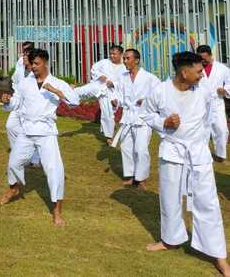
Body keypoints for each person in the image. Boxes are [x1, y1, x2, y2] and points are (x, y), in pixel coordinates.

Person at [140, 51, 229, 276]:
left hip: (197, 153)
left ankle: (219, 255)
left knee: (207, 201)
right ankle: (170, 239)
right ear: (184, 72)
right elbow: (146, 114)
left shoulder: (205, 89)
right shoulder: (160, 90)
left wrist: (205, 137)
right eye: (199, 71)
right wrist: (164, 122)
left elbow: (213, 114)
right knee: (170, 199)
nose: (202, 75)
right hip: (172, 151)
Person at [0, 49, 80, 226]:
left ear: (45, 62)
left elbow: (74, 102)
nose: (33, 67)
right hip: (26, 130)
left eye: (36, 64)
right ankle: (14, 189)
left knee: (54, 170)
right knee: (13, 163)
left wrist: (55, 90)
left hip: (46, 132)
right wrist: (7, 101)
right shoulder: (25, 83)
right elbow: (16, 102)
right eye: (31, 64)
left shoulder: (56, 82)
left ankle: (57, 210)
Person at [110, 49, 160, 188]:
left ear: (136, 60)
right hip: (128, 117)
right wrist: (116, 101)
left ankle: (142, 178)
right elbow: (118, 94)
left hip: (143, 118)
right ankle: (131, 175)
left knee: (141, 149)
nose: (125, 61)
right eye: (124, 58)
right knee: (126, 148)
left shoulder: (149, 78)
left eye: (127, 58)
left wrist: (146, 100)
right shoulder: (122, 77)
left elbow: (159, 95)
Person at [75, 45, 125, 145]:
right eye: (110, 53)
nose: (112, 55)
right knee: (81, 91)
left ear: (120, 54)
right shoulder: (104, 62)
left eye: (114, 54)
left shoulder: (124, 68)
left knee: (108, 114)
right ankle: (65, 92)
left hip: (111, 92)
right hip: (98, 85)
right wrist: (100, 75)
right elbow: (94, 69)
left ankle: (109, 137)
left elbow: (124, 82)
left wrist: (113, 84)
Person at [4, 47, 41, 167]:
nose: (23, 57)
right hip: (18, 101)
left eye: (26, 55)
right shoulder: (19, 69)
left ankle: (35, 158)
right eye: (23, 55)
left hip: (31, 106)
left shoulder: (37, 72)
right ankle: (18, 152)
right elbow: (14, 81)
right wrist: (14, 93)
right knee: (10, 126)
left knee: (33, 131)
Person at [197, 45, 230, 161]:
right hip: (201, 103)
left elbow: (229, 82)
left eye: (204, 58)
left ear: (210, 55)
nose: (202, 61)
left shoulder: (222, 68)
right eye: (200, 58)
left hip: (217, 103)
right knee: (202, 130)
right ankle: (202, 153)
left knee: (221, 129)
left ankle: (220, 154)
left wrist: (225, 90)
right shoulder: (196, 68)